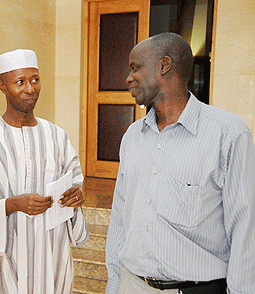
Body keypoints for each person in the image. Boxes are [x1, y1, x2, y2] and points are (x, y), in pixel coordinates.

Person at [105, 32, 255, 294]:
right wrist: (115, 284)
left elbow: (245, 229)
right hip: (132, 285)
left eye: (135, 68)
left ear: (164, 65)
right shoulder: (132, 137)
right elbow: (120, 216)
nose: (128, 78)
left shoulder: (227, 134)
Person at [0, 49, 90, 293]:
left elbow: (75, 184)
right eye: (20, 82)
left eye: (35, 80)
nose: (30, 89)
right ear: (2, 86)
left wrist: (76, 197)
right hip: (2, 262)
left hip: (52, 256)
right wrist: (12, 205)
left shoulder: (57, 136)